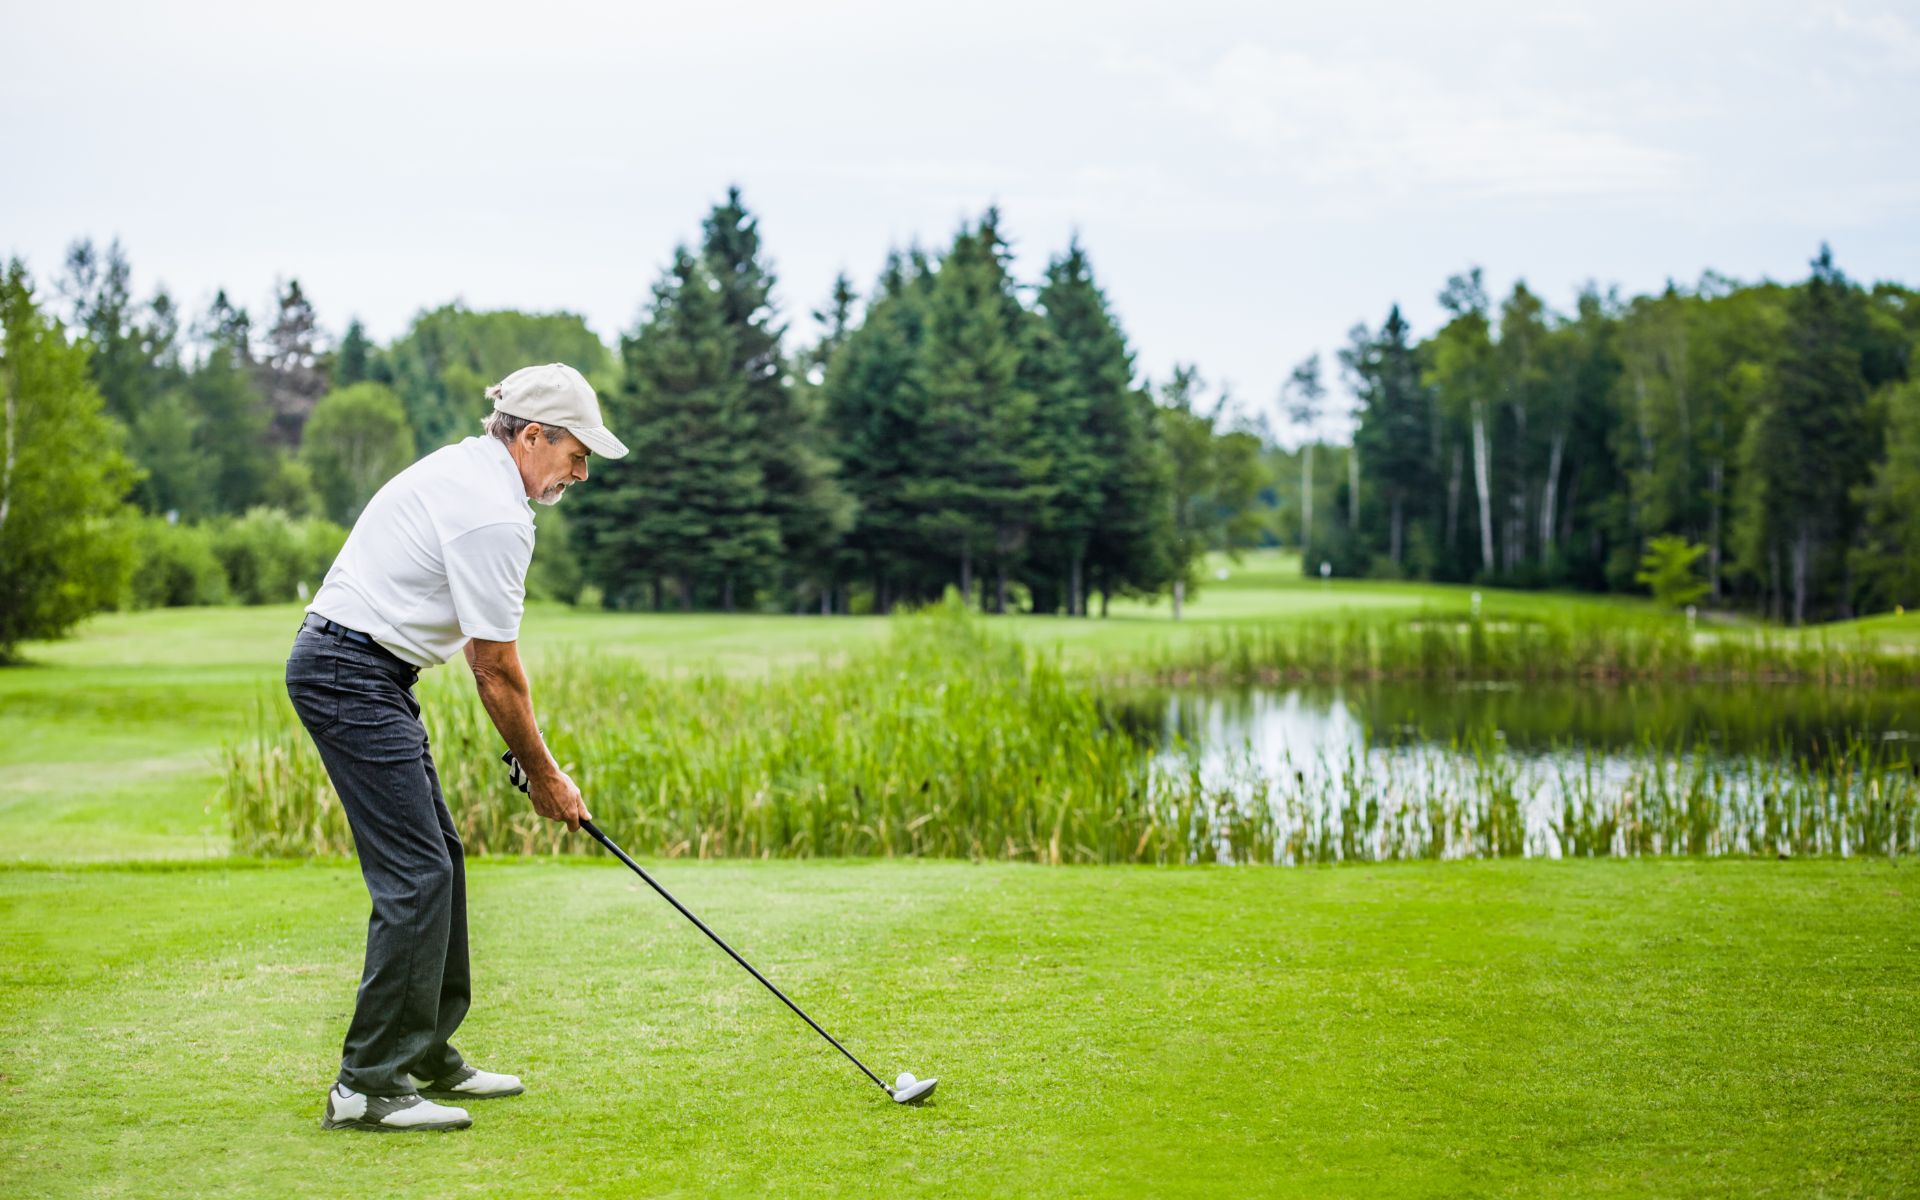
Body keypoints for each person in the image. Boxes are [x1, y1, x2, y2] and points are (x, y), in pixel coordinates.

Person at [285, 363, 627, 1132]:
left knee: (439, 856)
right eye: (576, 453)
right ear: (532, 435)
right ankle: (367, 1084)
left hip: (367, 672)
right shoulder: (494, 512)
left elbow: (481, 651)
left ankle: (422, 1053)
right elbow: (494, 668)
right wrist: (544, 774)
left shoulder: (472, 474)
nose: (581, 472)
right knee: (417, 872)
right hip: (348, 673)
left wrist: (536, 763)